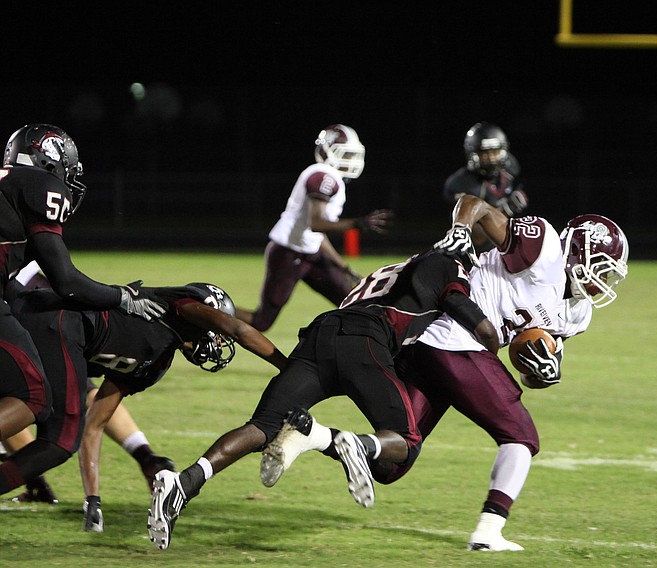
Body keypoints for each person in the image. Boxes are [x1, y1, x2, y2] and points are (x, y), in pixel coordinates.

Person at [264, 195, 629, 551]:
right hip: (457, 335)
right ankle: (489, 531)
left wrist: (544, 372)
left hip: (434, 351)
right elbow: (477, 203)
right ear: (578, 250)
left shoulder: (578, 314)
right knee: (521, 436)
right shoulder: (544, 248)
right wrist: (461, 230)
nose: (603, 281)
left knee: (393, 462)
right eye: (603, 267)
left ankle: (315, 435)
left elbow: (529, 368)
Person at [147, 249, 499, 551]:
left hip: (320, 334)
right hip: (365, 338)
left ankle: (185, 483)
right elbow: (457, 302)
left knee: (262, 427)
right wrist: (491, 338)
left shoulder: (389, 273)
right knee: (406, 442)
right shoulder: (446, 264)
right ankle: (354, 443)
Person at [0, 282, 287, 534]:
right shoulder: (180, 305)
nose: (219, 342)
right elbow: (238, 328)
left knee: (44, 419)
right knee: (58, 438)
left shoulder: (156, 364)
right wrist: (288, 368)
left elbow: (97, 421)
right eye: (217, 331)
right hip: (57, 322)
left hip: (58, 332)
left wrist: (93, 499)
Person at [1, 124, 165, 451]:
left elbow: (16, 292)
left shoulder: (9, 186)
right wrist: (119, 297)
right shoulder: (39, 184)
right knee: (33, 398)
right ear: (48, 161)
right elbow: (67, 282)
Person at [1, 262, 173, 504]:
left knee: (21, 396)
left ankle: (35, 482)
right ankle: (146, 456)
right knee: (80, 389)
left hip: (26, 296)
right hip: (41, 291)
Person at [235, 124, 394, 331]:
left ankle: (356, 352)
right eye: (345, 154)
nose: (350, 161)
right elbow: (316, 223)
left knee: (355, 303)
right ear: (325, 151)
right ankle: (212, 309)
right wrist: (357, 224)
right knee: (261, 321)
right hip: (288, 254)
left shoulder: (331, 178)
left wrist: (343, 267)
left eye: (352, 155)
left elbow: (317, 235)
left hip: (310, 254)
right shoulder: (323, 175)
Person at [443, 122, 528, 248]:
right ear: (472, 154)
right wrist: (507, 209)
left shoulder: (511, 167)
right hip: (477, 253)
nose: (491, 159)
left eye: (495, 152)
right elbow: (477, 238)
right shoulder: (460, 184)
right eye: (485, 154)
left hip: (507, 239)